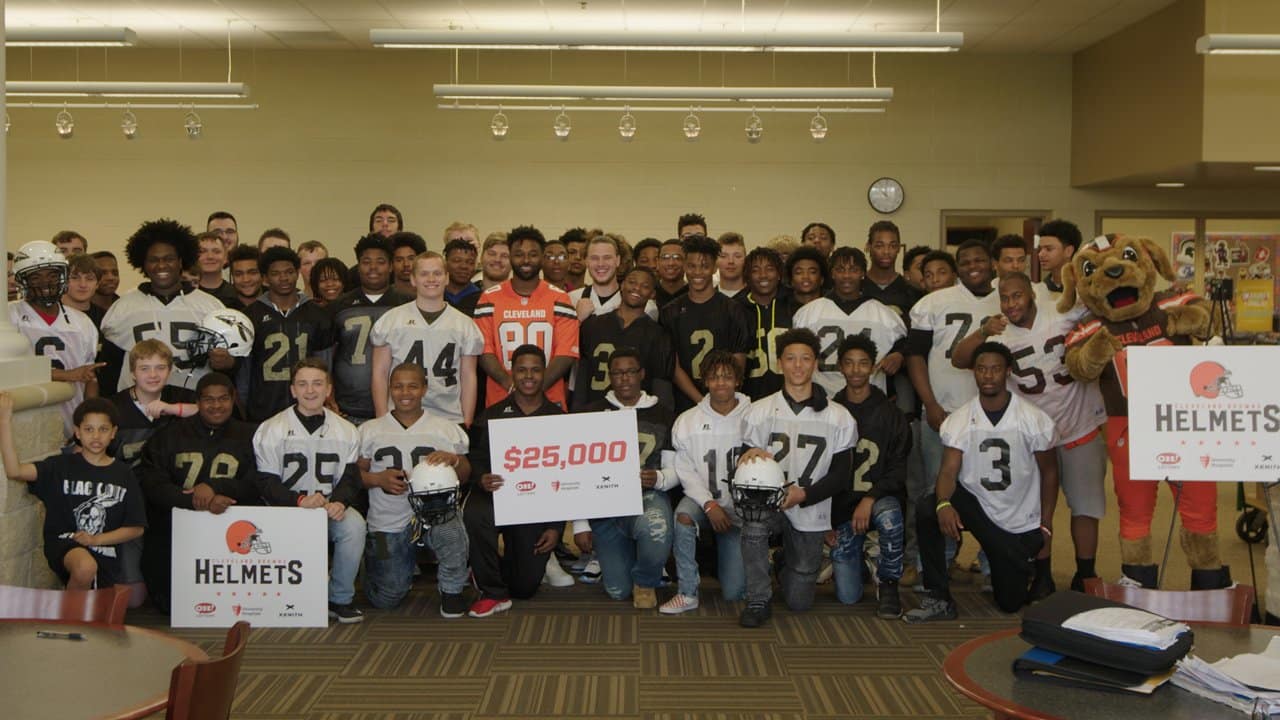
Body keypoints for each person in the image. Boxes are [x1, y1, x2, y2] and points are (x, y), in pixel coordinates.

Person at [951, 272, 1107, 594]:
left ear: (1032, 295)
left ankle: (1085, 574)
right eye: (1005, 299)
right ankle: (1043, 573)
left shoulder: (1061, 312)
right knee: (1034, 509)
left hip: (1078, 425)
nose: (1011, 304)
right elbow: (960, 358)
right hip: (1031, 437)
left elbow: (1101, 308)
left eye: (1017, 296)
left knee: (1086, 507)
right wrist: (983, 330)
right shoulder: (999, 332)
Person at [905, 341, 1058, 621]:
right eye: (982, 369)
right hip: (975, 506)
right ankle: (938, 597)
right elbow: (949, 471)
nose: (988, 376)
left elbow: (1049, 473)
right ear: (974, 372)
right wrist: (943, 505)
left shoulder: (1033, 419)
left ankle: (1020, 563)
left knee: (1010, 603)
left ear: (1007, 372)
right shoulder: (961, 418)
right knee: (928, 508)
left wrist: (1046, 525)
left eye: (995, 369)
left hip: (1017, 519)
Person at [737, 328, 857, 628]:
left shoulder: (839, 416)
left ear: (815, 363)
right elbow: (743, 464)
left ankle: (783, 562)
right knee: (753, 526)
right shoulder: (759, 411)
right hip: (769, 503)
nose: (798, 365)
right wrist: (748, 455)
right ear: (780, 363)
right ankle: (758, 598)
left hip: (812, 505)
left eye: (805, 358)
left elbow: (842, 475)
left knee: (799, 602)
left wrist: (804, 494)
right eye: (791, 358)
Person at [254, 360, 366, 623]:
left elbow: (351, 477)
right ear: (292, 390)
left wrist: (339, 501)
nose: (310, 391)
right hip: (286, 509)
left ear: (328, 389)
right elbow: (265, 482)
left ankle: (340, 598)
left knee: (354, 526)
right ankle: (291, 598)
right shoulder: (271, 429)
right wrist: (299, 500)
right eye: (302, 384)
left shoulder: (346, 430)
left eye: (317, 383)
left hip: (326, 507)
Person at [136, 372, 257, 612]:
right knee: (171, 604)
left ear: (233, 400)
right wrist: (192, 500)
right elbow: (151, 482)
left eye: (223, 399)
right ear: (198, 402)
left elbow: (258, 481)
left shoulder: (252, 436)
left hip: (232, 522)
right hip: (176, 525)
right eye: (208, 400)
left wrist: (217, 488)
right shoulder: (168, 436)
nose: (216, 406)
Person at [358, 362, 471, 614]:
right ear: (389, 389)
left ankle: (452, 590)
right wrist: (378, 479)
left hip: (434, 514)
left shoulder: (445, 428)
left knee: (451, 530)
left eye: (412, 386)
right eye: (398, 386)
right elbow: (354, 474)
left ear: (424, 389)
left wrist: (453, 460)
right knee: (386, 598)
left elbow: (465, 473)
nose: (405, 392)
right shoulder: (369, 430)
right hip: (387, 520)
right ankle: (373, 566)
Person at [0, 395, 145, 590]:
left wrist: (96, 539)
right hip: (66, 543)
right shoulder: (59, 466)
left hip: (105, 552)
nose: (96, 436)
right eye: (88, 429)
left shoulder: (123, 474)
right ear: (77, 432)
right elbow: (14, 470)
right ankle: (68, 619)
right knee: (85, 567)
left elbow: (136, 527)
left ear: (113, 432)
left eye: (103, 429)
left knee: (104, 605)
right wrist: (3, 420)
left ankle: (70, 611)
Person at [465, 345, 568, 617]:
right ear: (512, 372)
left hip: (533, 505)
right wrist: (480, 478)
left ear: (544, 373)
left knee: (523, 588)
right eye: (521, 370)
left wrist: (555, 527)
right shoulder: (491, 415)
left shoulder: (560, 420)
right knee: (475, 513)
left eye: (535, 370)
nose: (529, 376)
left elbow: (566, 479)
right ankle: (492, 591)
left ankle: (487, 567)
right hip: (495, 495)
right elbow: (473, 458)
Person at [574, 348, 677, 609]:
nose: (624, 379)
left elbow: (677, 469)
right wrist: (580, 523)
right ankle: (632, 554)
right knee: (618, 591)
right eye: (617, 373)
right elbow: (576, 472)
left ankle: (645, 578)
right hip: (604, 505)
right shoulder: (590, 413)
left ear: (641, 374)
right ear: (610, 377)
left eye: (630, 372)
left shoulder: (663, 414)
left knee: (656, 529)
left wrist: (660, 477)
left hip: (647, 498)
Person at [662, 350, 750, 614]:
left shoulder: (756, 416)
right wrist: (709, 504)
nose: (720, 383)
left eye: (727, 377)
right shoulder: (688, 421)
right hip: (704, 501)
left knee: (735, 593)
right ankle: (687, 592)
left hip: (741, 508)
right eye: (714, 377)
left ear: (738, 381)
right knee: (683, 516)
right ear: (704, 381)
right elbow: (685, 471)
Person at [906, 240, 999, 490]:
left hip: (993, 412)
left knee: (990, 489)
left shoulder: (1006, 299)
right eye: (965, 262)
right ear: (958, 268)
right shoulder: (933, 302)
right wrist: (930, 404)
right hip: (944, 409)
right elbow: (915, 356)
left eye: (979, 260)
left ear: (992, 263)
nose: (973, 266)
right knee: (938, 490)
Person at [100, 219, 233, 393]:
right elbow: (110, 369)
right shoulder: (122, 307)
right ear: (143, 264)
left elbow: (227, 362)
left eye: (169, 259)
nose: (161, 265)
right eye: (153, 260)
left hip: (193, 403)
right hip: (138, 407)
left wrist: (228, 362)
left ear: (180, 261)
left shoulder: (210, 306)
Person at [831, 335, 909, 618]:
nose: (855, 370)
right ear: (840, 367)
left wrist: (870, 497)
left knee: (889, 515)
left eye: (863, 364)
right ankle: (860, 559)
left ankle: (889, 583)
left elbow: (898, 470)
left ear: (873, 367)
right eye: (849, 364)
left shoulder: (892, 414)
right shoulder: (831, 411)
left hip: (878, 500)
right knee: (848, 597)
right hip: (843, 509)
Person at [474, 225, 579, 410]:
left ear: (542, 257)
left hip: (549, 400)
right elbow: (484, 351)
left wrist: (534, 390)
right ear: (510, 256)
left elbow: (565, 353)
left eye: (533, 254)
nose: (526, 260)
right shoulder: (489, 298)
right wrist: (510, 384)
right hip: (501, 398)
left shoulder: (560, 298)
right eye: (519, 254)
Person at [371, 251, 483, 425]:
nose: (431, 279)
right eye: (424, 274)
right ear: (413, 279)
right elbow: (380, 373)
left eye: (437, 273)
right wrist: (382, 417)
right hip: (400, 415)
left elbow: (468, 376)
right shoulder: (391, 320)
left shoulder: (464, 325)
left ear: (447, 278)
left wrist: (466, 420)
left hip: (448, 416)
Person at [10, 241, 102, 437]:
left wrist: (87, 424)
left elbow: (90, 379)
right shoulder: (9, 316)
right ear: (23, 280)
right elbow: (9, 371)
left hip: (70, 428)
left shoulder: (82, 322)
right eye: (36, 276)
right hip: (20, 429)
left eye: (53, 274)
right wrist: (66, 375)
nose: (46, 282)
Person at [792, 247, 907, 399]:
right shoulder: (808, 313)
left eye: (853, 270)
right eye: (840, 269)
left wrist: (899, 355)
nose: (846, 275)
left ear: (863, 273)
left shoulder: (884, 314)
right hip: (821, 401)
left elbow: (907, 345)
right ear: (832, 273)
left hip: (870, 403)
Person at [659, 234, 752, 413]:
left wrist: (718, 399)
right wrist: (701, 401)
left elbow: (738, 363)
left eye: (704, 266)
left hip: (726, 403)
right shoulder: (670, 312)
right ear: (685, 266)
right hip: (685, 403)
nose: (697, 272)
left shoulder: (734, 310)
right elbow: (673, 365)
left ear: (714, 267)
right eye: (692, 266)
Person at [328, 235, 411, 425]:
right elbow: (328, 357)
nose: (373, 268)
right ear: (358, 266)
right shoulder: (339, 306)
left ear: (390, 266)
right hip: (348, 410)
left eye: (380, 262)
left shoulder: (406, 304)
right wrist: (329, 396)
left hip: (398, 409)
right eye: (366, 262)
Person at [245, 246, 335, 422]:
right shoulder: (251, 316)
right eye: (276, 273)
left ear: (297, 273)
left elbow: (325, 366)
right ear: (265, 278)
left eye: (289, 272)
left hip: (308, 407)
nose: (284, 278)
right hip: (263, 409)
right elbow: (245, 372)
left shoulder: (317, 314)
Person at [572, 267, 674, 412]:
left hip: (635, 414)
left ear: (652, 294)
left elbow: (661, 385)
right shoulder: (593, 325)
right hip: (594, 410)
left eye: (645, 286)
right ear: (622, 285)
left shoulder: (657, 334)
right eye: (632, 282)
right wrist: (578, 411)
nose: (637, 288)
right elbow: (582, 375)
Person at [107, 340, 197, 466]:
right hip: (127, 482)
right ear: (133, 373)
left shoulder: (182, 397)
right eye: (144, 369)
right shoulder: (111, 407)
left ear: (169, 370)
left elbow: (211, 411)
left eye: (160, 368)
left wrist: (173, 408)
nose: (153, 375)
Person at [738, 246, 797, 401]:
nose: (763, 275)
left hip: (791, 398)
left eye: (769, 269)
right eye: (755, 270)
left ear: (779, 274)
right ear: (748, 276)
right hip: (749, 400)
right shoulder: (735, 309)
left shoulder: (794, 305)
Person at [569, 234, 659, 320]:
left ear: (618, 260)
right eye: (594, 258)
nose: (601, 264)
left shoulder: (645, 307)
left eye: (607, 257)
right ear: (586, 261)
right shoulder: (571, 300)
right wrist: (577, 320)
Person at [1036, 219, 1082, 296]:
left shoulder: (1086, 289)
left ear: (1068, 251)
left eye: (1049, 249)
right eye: (1040, 249)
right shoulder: (1039, 290)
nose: (1040, 254)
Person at [62, 254, 106, 328]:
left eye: (89, 279)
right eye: (75, 278)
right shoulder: (53, 313)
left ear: (97, 284)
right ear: (63, 281)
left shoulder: (104, 318)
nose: (83, 285)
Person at [195, 231, 238, 305]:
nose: (210, 256)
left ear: (226, 258)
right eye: (202, 251)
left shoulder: (236, 295)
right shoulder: (185, 293)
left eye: (216, 252)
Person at [444, 239, 482, 312]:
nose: (464, 266)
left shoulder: (482, 300)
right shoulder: (434, 296)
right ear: (445, 263)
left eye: (470, 262)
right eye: (457, 260)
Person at [390, 231, 427, 297]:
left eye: (411, 259)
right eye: (399, 260)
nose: (406, 264)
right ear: (391, 264)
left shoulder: (430, 293)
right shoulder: (384, 296)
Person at [225, 245, 262, 309]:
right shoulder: (223, 306)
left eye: (252, 273)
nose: (246, 279)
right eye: (238, 274)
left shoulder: (276, 302)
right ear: (232, 276)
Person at [653, 238, 687, 307]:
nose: (671, 263)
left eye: (677, 258)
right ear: (657, 262)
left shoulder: (694, 294)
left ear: (686, 262)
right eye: (665, 257)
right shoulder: (649, 293)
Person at [716, 232, 747, 298]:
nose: (731, 261)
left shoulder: (756, 299)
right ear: (716, 260)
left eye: (737, 256)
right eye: (724, 256)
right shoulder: (707, 298)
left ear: (745, 259)